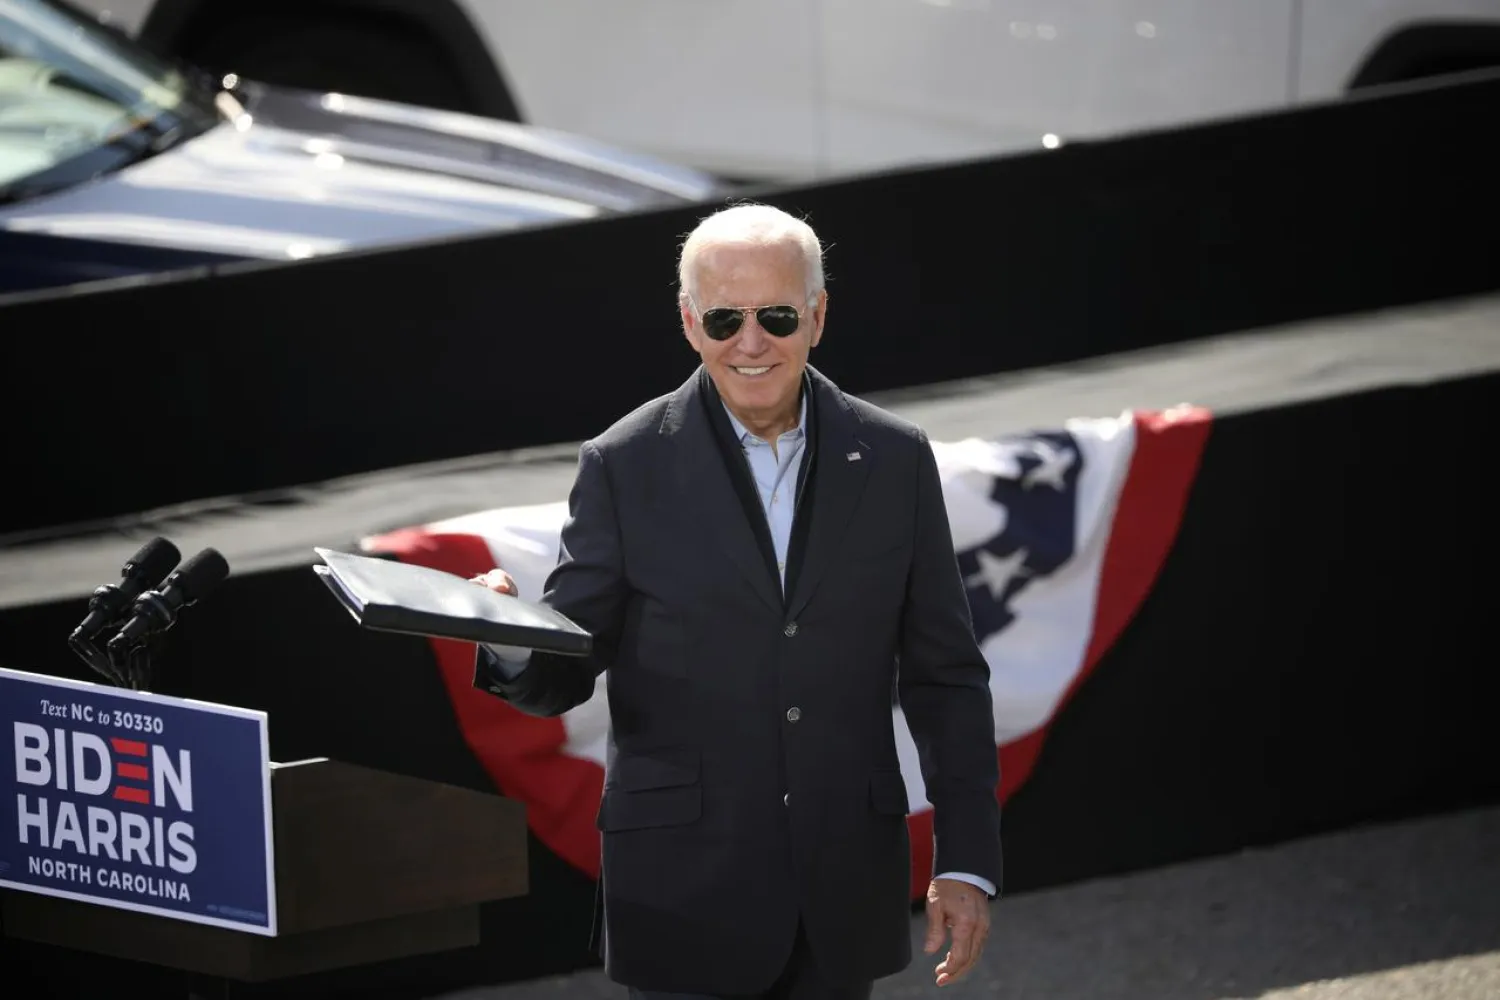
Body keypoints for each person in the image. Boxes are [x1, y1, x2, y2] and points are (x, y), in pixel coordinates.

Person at [469, 203, 1001, 999]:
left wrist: (965, 861)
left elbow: (946, 676)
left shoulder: (895, 459)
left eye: (776, 316)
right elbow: (567, 667)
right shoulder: (622, 464)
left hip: (841, 891)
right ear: (690, 323)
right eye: (725, 319)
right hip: (681, 895)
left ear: (817, 316)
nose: (751, 343)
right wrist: (509, 635)